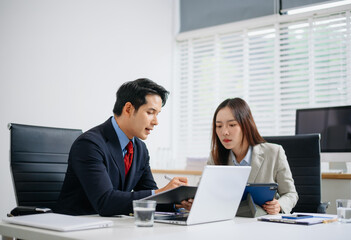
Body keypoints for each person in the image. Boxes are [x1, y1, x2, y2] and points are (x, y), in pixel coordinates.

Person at [55, 78, 190, 216]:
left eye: (157, 114)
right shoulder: (89, 144)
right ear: (128, 109)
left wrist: (176, 200)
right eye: (150, 113)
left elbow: (151, 197)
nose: (156, 122)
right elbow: (105, 201)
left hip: (112, 225)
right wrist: (159, 193)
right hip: (74, 225)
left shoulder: (140, 149)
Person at [207, 98, 298, 214]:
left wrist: (279, 205)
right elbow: (205, 193)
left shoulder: (274, 152)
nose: (224, 132)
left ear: (246, 125)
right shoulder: (215, 157)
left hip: (262, 223)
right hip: (228, 222)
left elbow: (290, 194)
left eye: (232, 125)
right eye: (219, 126)